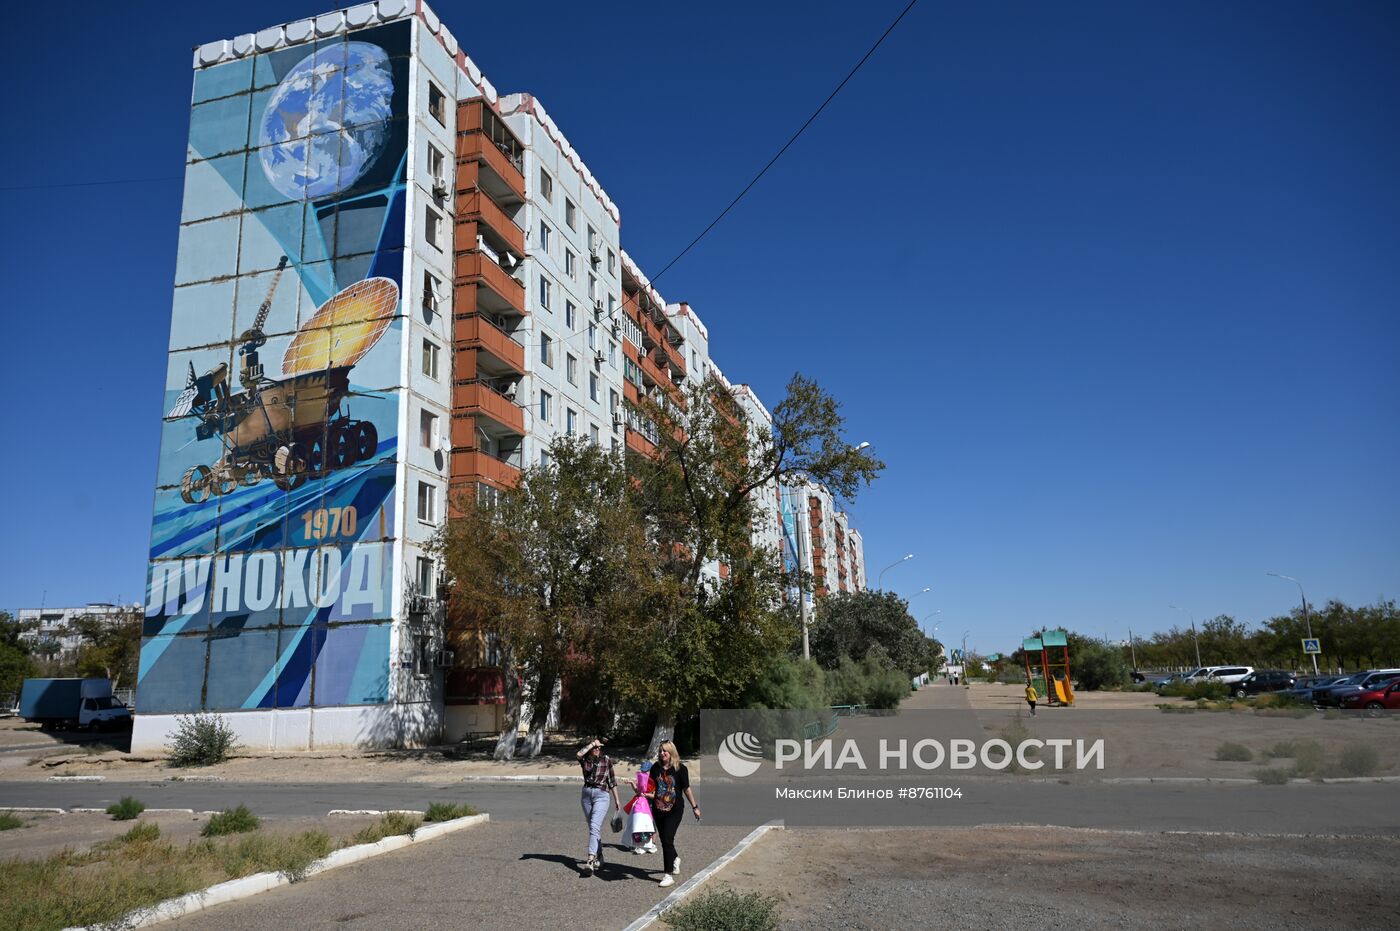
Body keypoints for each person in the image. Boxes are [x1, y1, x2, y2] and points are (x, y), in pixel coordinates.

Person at [644, 740, 701, 887]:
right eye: (661, 751)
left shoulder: (680, 769)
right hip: (658, 810)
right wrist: (641, 792)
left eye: (665, 751)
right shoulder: (655, 768)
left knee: (668, 838)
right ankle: (675, 858)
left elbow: (686, 789)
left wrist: (695, 807)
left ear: (671, 752)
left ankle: (668, 875)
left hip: (674, 810)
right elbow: (651, 789)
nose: (662, 753)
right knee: (665, 840)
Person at [576, 737, 623, 875]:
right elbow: (578, 754)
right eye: (595, 748)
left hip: (602, 795)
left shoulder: (606, 760)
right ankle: (600, 857)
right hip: (586, 794)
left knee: (595, 826)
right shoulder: (585, 761)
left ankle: (590, 860)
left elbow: (612, 781)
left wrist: (617, 800)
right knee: (593, 827)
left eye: (599, 747)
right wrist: (592, 744)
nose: (597, 749)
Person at [626, 762, 657, 854]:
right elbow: (638, 791)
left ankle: (653, 844)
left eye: (646, 771)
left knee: (652, 825)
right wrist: (632, 783)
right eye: (642, 771)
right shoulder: (642, 780)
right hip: (642, 807)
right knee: (641, 825)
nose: (643, 773)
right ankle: (642, 844)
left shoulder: (654, 781)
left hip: (651, 806)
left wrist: (647, 795)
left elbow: (655, 796)